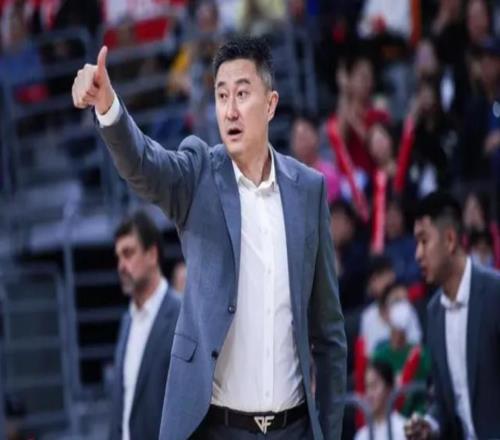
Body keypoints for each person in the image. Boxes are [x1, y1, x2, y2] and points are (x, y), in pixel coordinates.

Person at [72, 36, 346, 440]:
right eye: (221, 95)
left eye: (242, 94)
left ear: (270, 104)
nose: (230, 110)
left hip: (296, 428)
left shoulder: (309, 190)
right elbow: (145, 164)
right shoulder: (198, 173)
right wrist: (108, 106)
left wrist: (330, 431)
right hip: (217, 428)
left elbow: (329, 334)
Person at [405, 191, 500, 439]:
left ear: (449, 240)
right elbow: (442, 397)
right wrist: (431, 424)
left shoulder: (495, 293)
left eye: (424, 241)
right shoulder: (433, 312)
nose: (418, 254)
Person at [110, 212, 181, 440]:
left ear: (152, 255)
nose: (121, 266)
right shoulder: (127, 321)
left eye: (128, 253)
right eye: (118, 257)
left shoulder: (181, 316)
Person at [354, 360, 407, 440]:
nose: (369, 394)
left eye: (374, 386)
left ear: (389, 388)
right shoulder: (362, 435)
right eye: (367, 387)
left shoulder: (404, 431)